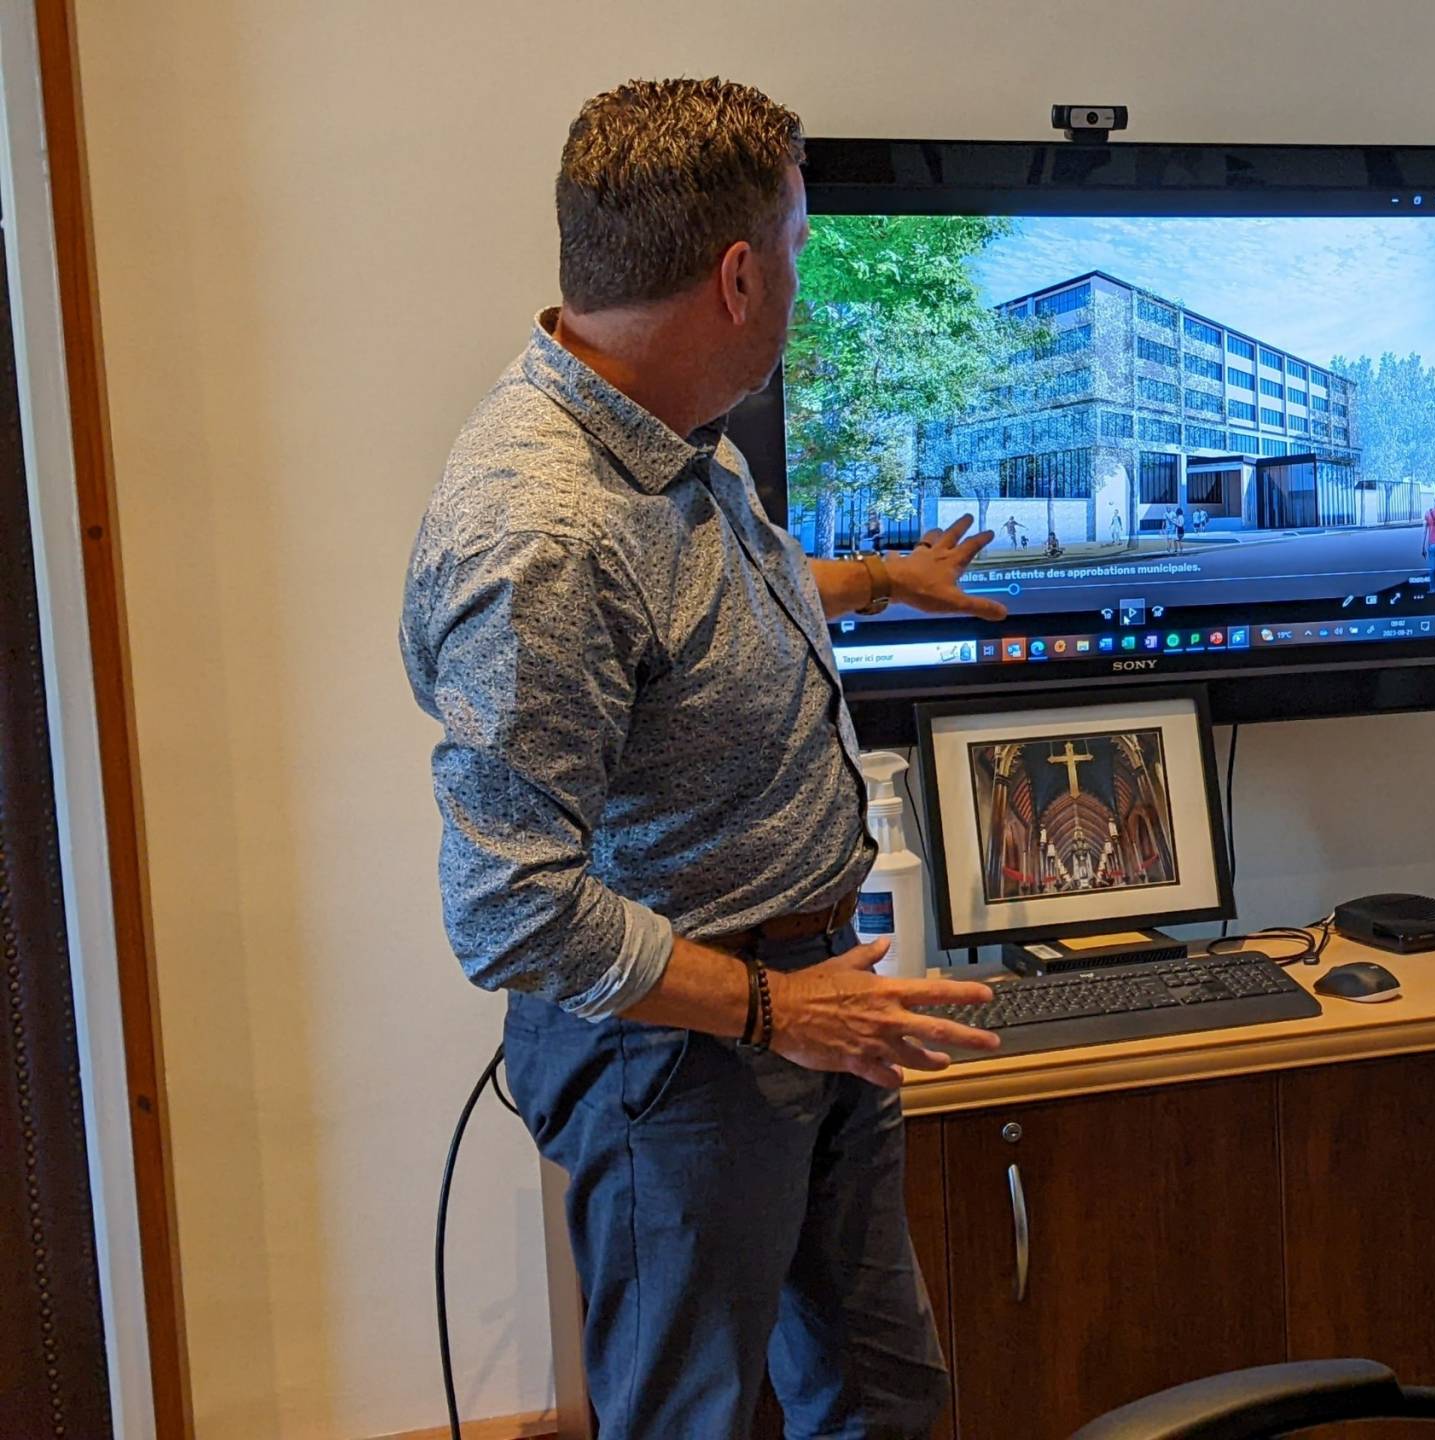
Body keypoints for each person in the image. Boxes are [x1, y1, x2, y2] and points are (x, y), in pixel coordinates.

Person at [399, 79, 1006, 1440]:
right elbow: (510, 910)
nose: (801, 277)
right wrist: (774, 1014)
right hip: (682, 1058)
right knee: (698, 1420)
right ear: (737, 274)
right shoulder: (541, 534)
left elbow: (704, 613)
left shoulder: (664, 425)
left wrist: (876, 580)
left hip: (811, 1000)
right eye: (796, 249)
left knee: (882, 1398)